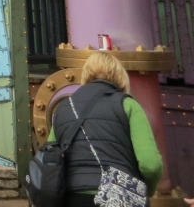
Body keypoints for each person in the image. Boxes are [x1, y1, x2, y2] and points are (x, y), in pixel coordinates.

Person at [49, 51, 163, 207]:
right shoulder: (128, 105)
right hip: (118, 198)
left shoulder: (62, 109)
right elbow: (150, 164)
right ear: (120, 77)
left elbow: (50, 159)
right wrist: (146, 190)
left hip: (72, 198)